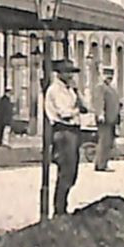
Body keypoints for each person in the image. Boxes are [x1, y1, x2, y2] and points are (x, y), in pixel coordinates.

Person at [43, 59, 86, 216]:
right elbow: (64, 113)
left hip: (74, 131)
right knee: (65, 172)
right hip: (63, 131)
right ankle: (59, 209)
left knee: (72, 172)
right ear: (59, 73)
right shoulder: (54, 90)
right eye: (67, 72)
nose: (70, 75)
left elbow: (85, 107)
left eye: (72, 72)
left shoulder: (70, 90)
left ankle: (63, 206)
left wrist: (78, 93)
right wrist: (77, 111)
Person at [93, 68, 122, 171]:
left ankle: (102, 163)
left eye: (111, 76)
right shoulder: (101, 87)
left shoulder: (112, 89)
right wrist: (100, 114)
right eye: (107, 76)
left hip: (112, 120)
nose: (109, 78)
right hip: (104, 120)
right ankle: (101, 165)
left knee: (108, 143)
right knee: (104, 142)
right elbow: (99, 101)